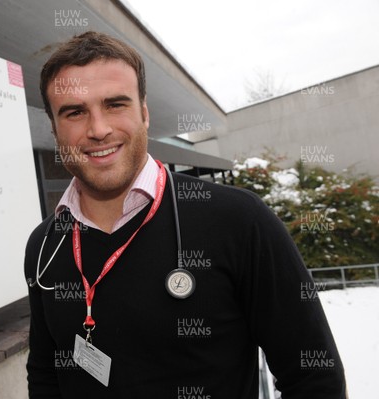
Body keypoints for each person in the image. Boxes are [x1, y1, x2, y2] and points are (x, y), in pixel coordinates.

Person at [24, 31, 346, 398]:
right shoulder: (45, 245)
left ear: (144, 114)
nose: (98, 129)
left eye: (116, 104)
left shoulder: (238, 220)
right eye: (75, 112)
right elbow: (45, 375)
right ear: (54, 129)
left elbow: (314, 379)